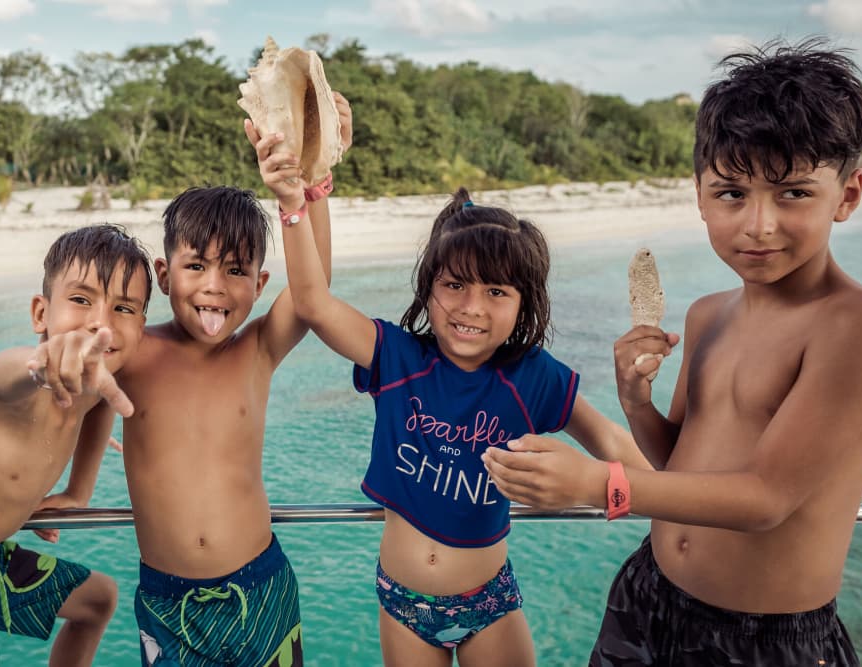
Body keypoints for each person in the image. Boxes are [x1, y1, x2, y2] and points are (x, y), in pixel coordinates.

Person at [481, 38, 862, 666]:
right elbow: (679, 464)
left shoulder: (857, 327)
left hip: (763, 637)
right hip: (649, 595)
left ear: (846, 194)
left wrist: (600, 484)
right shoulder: (709, 314)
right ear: (700, 196)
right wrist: (636, 402)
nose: (758, 224)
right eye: (731, 193)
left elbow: (765, 501)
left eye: (793, 193)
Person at [261, 113, 649, 666]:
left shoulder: (531, 376)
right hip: (403, 604)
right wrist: (301, 200)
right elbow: (313, 301)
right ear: (429, 288)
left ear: (524, 306)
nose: (471, 307)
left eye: (497, 291)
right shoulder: (397, 358)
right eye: (454, 285)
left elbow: (609, 440)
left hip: (488, 601)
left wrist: (676, 503)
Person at [114, 94, 352, 667]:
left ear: (260, 281)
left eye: (237, 270)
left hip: (262, 586)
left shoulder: (256, 353)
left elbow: (312, 288)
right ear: (165, 276)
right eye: (196, 267)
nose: (215, 287)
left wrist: (311, 184)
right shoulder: (134, 352)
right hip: (169, 605)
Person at [0, 223, 153, 666]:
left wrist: (78, 491)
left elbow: (99, 405)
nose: (100, 321)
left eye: (123, 308)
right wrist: (40, 365)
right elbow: (2, 375)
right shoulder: (8, 387)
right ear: (40, 314)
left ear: (141, 328)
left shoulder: (93, 387)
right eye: (81, 299)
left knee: (97, 599)